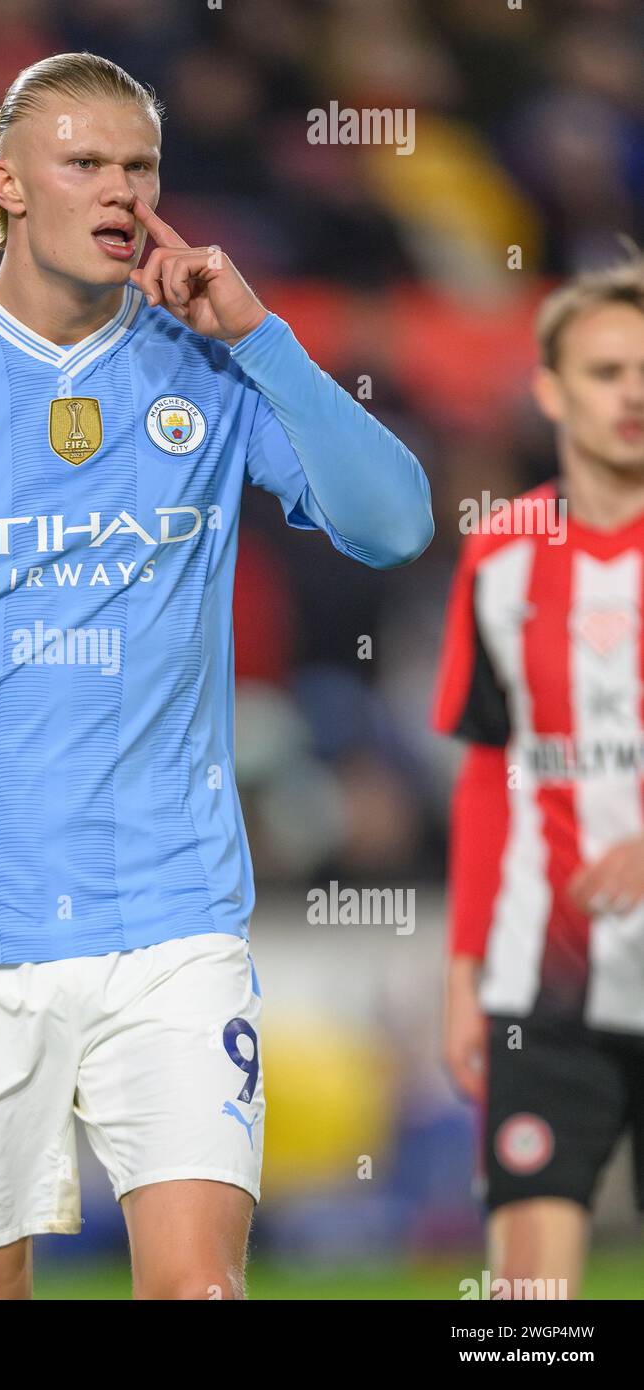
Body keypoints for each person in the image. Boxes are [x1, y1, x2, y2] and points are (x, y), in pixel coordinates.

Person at [0, 51, 432, 1300]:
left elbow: (396, 524)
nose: (123, 190)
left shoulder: (207, 367)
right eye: (87, 163)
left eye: (142, 165)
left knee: (196, 1292)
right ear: (5, 183)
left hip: (169, 924)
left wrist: (263, 338)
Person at [433, 252, 644, 1298]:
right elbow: (486, 773)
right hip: (544, 980)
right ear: (552, 389)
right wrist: (466, 969)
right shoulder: (502, 553)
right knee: (525, 1295)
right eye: (606, 371)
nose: (634, 394)